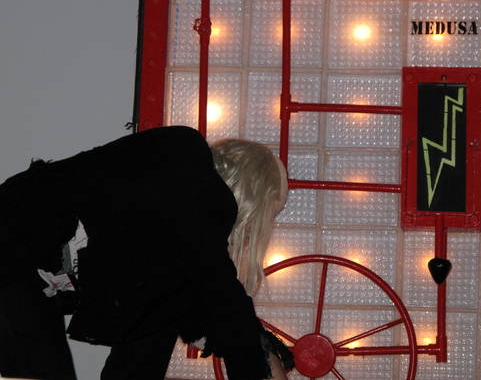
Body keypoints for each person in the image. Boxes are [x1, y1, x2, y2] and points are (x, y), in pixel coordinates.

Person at [0, 125, 293, 380]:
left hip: (21, 280)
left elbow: (141, 362)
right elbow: (221, 293)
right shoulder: (184, 157)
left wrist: (258, 351)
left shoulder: (168, 271)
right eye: (265, 215)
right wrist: (256, 359)